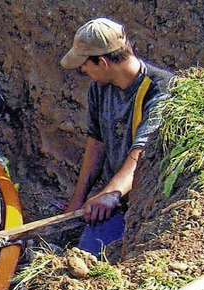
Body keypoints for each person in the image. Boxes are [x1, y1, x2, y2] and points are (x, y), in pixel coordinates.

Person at [60, 17, 173, 257]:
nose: (82, 70)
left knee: (93, 260)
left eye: (85, 65)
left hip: (148, 204)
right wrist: (76, 203)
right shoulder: (99, 87)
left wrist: (110, 194)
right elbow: (96, 143)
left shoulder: (160, 92)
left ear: (102, 62)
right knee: (82, 249)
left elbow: (141, 156)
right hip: (117, 197)